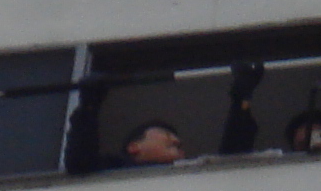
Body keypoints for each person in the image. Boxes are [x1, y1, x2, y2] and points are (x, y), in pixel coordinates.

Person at [64, 62, 265, 175]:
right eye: (167, 135)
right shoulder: (114, 170)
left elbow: (232, 161)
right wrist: (89, 106)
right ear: (134, 147)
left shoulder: (192, 173)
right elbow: (80, 163)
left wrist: (241, 101)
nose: (177, 141)